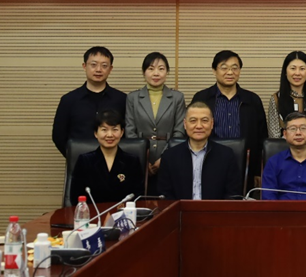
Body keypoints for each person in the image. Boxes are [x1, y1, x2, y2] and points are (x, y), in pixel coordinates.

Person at [191, 50, 267, 186]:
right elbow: (191, 133)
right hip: (208, 162)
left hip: (244, 166)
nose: (230, 72)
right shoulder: (202, 98)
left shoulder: (252, 100)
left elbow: (261, 138)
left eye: (234, 68)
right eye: (224, 68)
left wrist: (257, 171)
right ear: (214, 71)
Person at [124, 52, 187, 187]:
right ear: (144, 72)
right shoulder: (132, 98)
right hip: (139, 158)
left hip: (170, 156)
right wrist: (141, 158)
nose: (156, 73)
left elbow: (179, 131)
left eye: (161, 69)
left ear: (167, 72)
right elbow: (129, 131)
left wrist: (164, 158)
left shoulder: (177, 97)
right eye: (151, 69)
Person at [158, 102, 243, 200]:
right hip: (180, 209)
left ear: (212, 124)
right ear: (185, 124)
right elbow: (164, 195)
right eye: (193, 121)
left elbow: (233, 194)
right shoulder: (170, 156)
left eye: (204, 120)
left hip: (216, 209)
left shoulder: (226, 155)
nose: (199, 126)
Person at [53, 46, 127, 156]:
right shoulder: (68, 100)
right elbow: (58, 136)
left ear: (110, 69)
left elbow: (128, 134)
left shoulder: (122, 99)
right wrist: (74, 157)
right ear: (84, 66)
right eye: (93, 65)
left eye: (104, 66)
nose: (98, 69)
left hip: (115, 161)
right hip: (79, 161)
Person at [70, 109, 143, 206]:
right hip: (93, 214)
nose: (109, 135)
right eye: (104, 130)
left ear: (122, 132)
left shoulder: (132, 161)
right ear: (96, 133)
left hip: (123, 214)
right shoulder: (85, 161)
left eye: (115, 129)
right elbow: (75, 197)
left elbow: (138, 197)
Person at [267, 51, 306, 139]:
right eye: (293, 68)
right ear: (285, 72)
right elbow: (274, 137)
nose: (297, 73)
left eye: (302, 69)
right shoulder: (276, 99)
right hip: (284, 147)